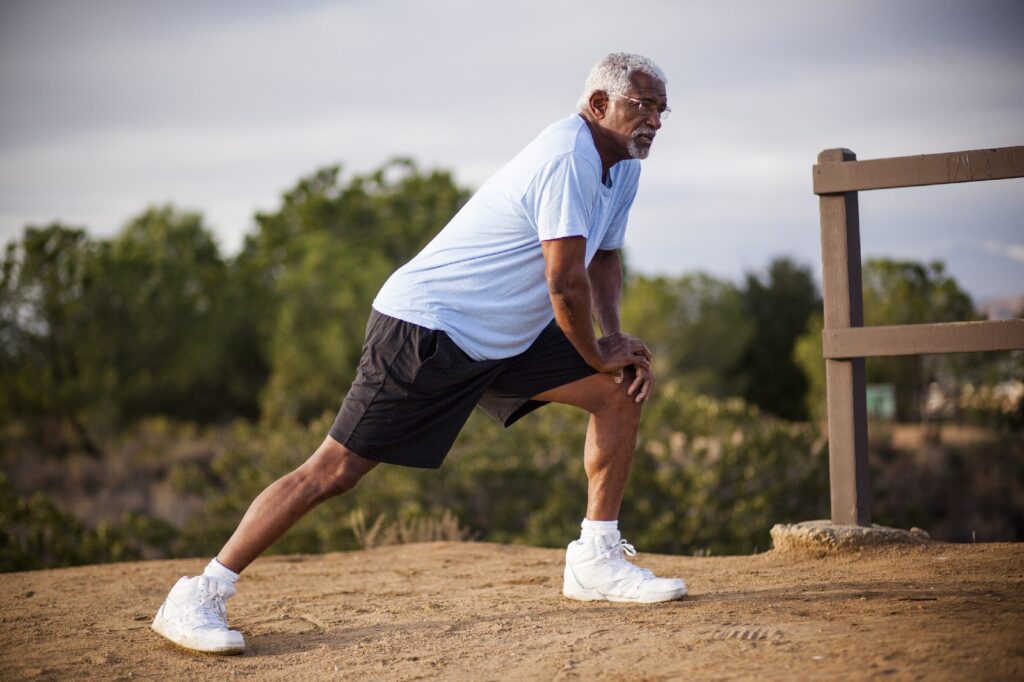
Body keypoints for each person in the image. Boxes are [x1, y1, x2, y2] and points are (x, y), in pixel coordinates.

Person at [152, 52, 686, 655]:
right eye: (643, 106)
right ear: (597, 106)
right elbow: (565, 282)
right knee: (333, 472)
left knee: (619, 392)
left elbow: (605, 258)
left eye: (662, 110)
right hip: (429, 327)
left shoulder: (624, 167)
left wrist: (612, 342)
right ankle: (199, 593)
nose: (655, 122)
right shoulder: (568, 158)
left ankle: (596, 559)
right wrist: (596, 351)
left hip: (505, 332)